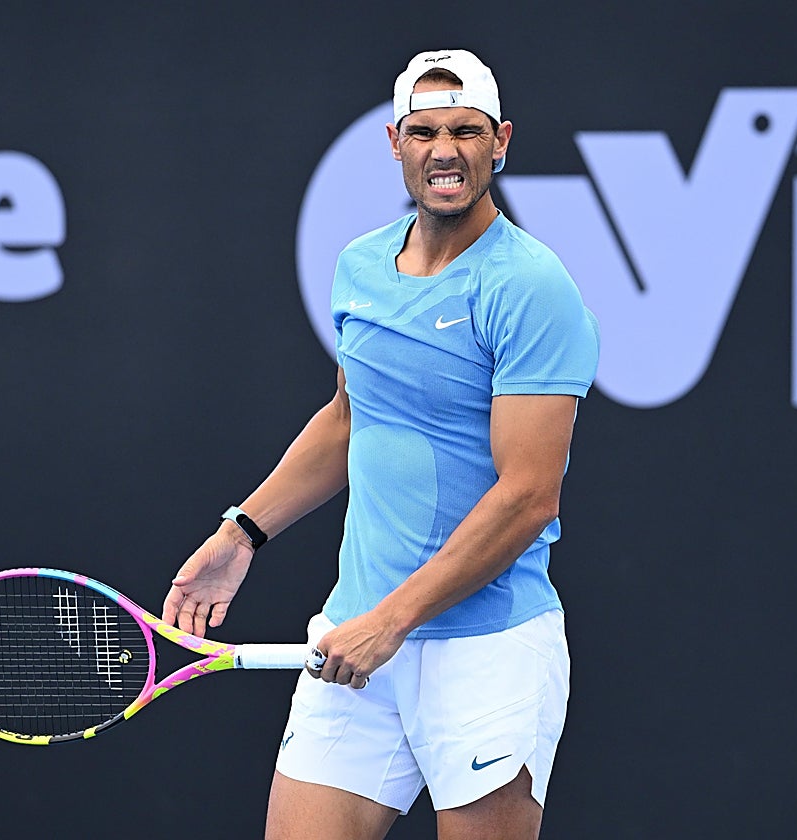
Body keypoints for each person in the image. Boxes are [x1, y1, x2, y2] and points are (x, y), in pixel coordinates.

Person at [162, 48, 600, 839]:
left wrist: (392, 621)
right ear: (395, 143)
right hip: (357, 636)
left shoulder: (531, 287)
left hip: (486, 649)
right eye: (425, 131)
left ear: (500, 142)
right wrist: (243, 532)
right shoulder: (360, 266)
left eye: (466, 131)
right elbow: (348, 415)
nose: (445, 150)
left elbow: (530, 495)